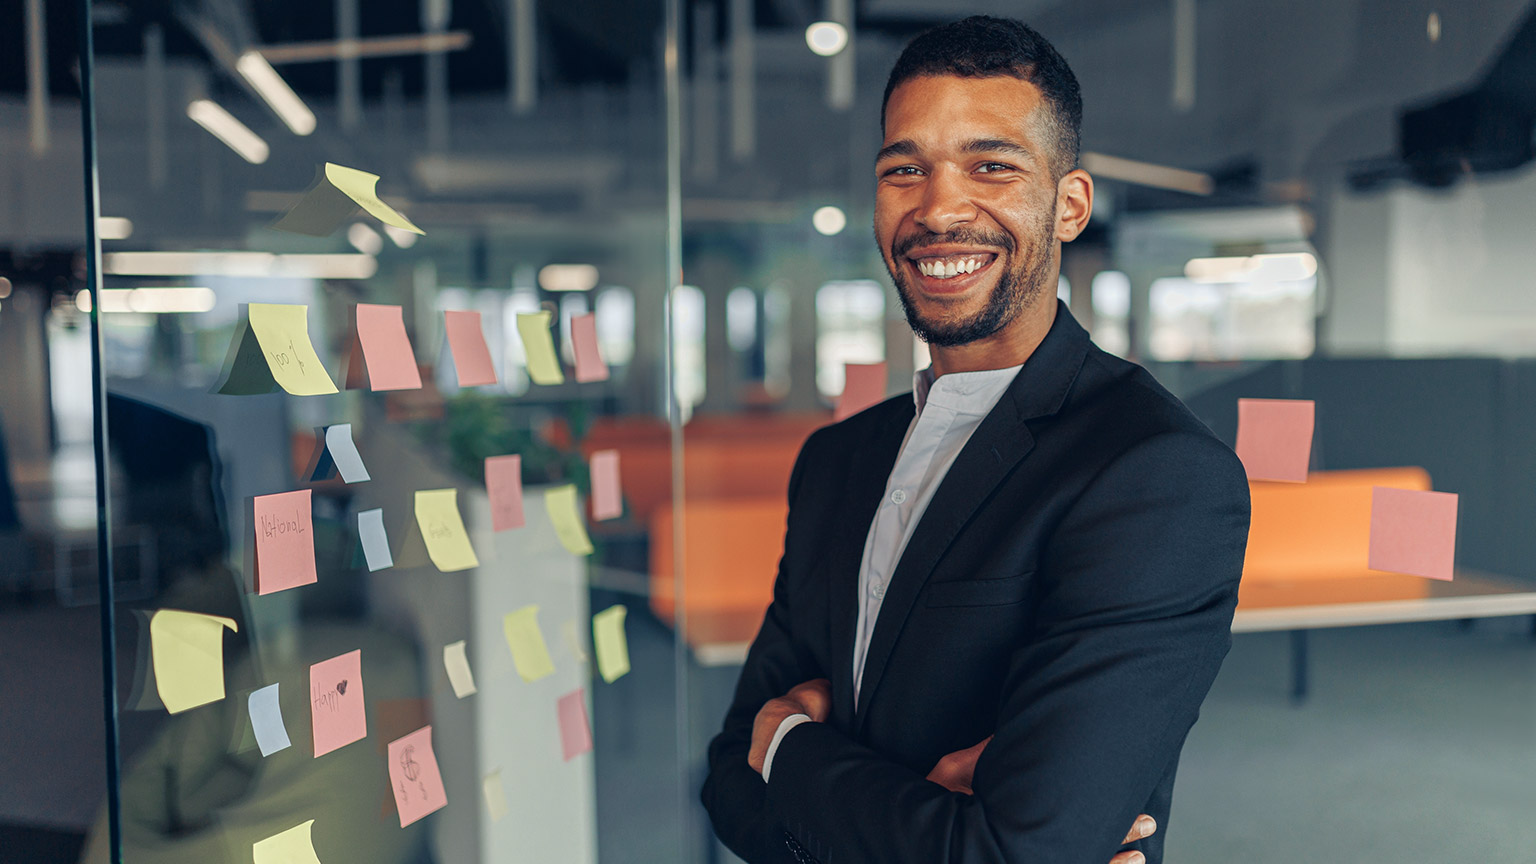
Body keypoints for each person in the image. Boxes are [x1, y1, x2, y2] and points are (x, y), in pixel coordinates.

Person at [700, 15, 1251, 864]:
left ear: (1069, 206)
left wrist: (787, 749)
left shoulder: (1155, 473)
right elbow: (726, 786)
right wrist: (908, 816)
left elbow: (1012, 851)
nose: (939, 207)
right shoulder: (837, 462)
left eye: (991, 166)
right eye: (903, 170)